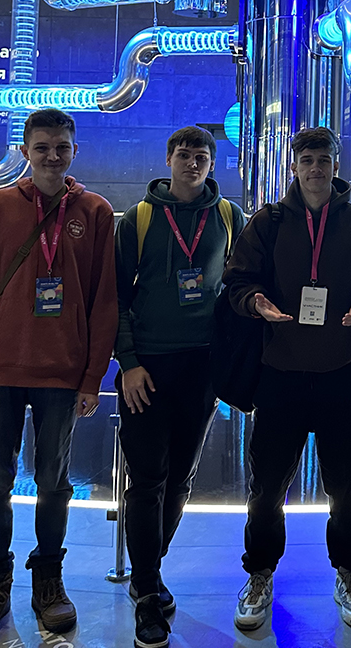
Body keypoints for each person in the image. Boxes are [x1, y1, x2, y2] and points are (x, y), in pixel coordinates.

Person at [0, 108, 118, 646]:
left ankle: (49, 580)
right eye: (41, 147)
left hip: (62, 374)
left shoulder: (95, 212)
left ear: (74, 151)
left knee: (54, 485)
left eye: (61, 147)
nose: (52, 156)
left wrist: (92, 377)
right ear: (24, 151)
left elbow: (104, 302)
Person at [223, 127, 351, 631]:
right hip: (280, 375)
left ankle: (348, 573)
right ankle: (259, 574)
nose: (316, 169)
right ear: (294, 167)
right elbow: (237, 281)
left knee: (345, 487)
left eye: (324, 160)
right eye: (307, 161)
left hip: (340, 374)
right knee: (266, 488)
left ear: (336, 167)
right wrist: (254, 302)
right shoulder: (269, 222)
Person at [114, 126, 246, 648]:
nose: (192, 163)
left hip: (201, 368)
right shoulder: (139, 219)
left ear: (212, 164)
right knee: (147, 478)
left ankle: (149, 567)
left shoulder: (230, 217)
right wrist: (128, 363)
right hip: (147, 368)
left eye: (201, 157)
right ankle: (148, 589)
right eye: (184, 155)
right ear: (168, 159)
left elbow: (240, 285)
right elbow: (117, 298)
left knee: (180, 480)